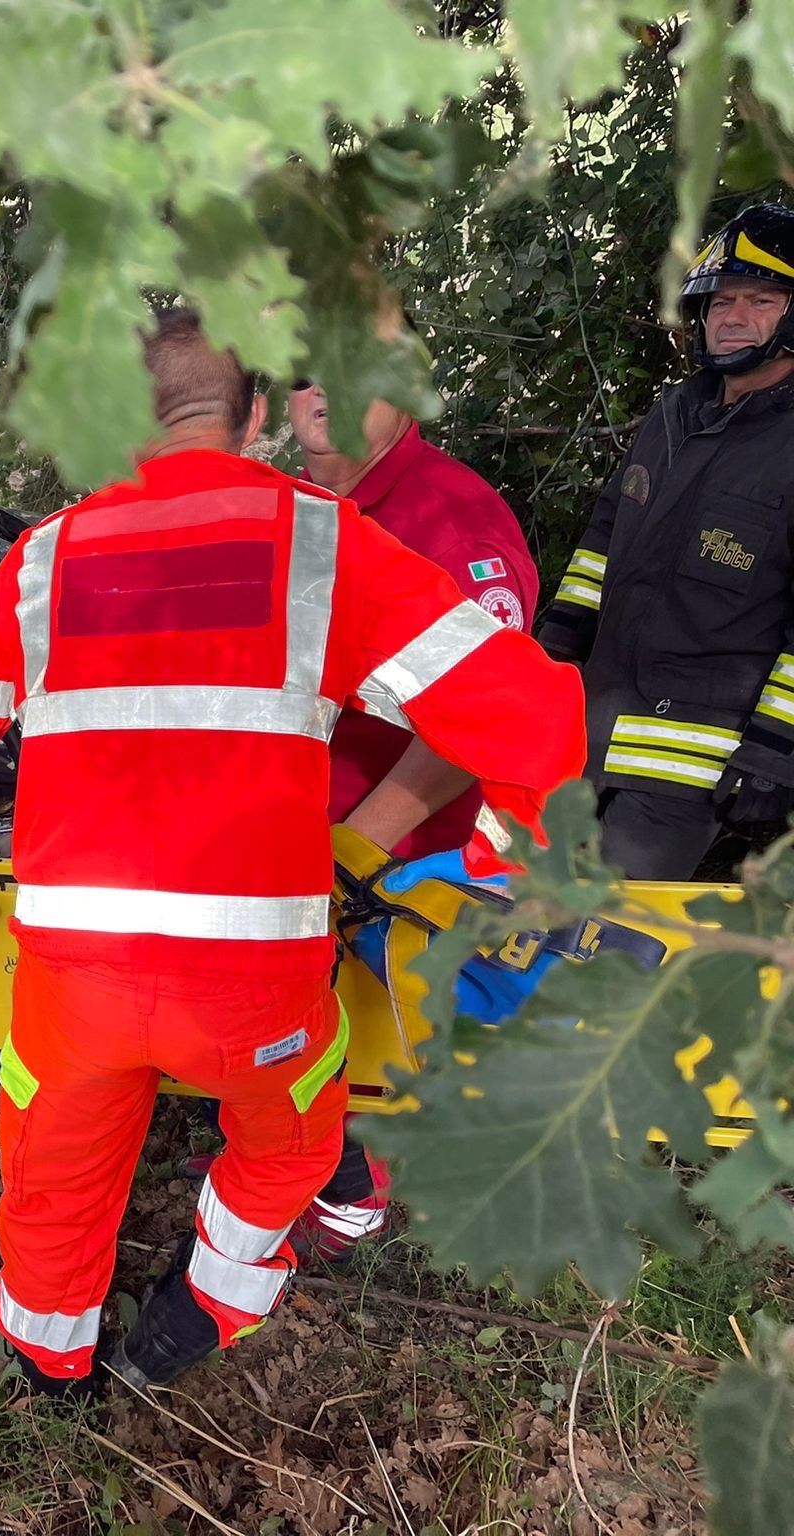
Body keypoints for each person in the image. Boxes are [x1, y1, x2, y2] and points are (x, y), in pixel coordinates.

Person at [0, 310, 585, 1393]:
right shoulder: (322, 542)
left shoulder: (44, 557)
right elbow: (534, 720)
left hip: (74, 980)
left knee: (54, 1165)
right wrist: (497, 872)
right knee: (293, 1141)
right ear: (256, 416)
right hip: (257, 986)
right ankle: (206, 1304)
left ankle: (48, 1360)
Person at [272, 377, 540, 1263]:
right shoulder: (293, 508)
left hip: (392, 846)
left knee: (368, 1021)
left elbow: (488, 719)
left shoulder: (453, 521)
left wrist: (358, 842)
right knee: (293, 1014)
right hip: (296, 823)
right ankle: (291, 1156)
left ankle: (359, 1190)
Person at [537, 202, 794, 878]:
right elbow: (603, 538)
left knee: (600, 932)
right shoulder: (675, 413)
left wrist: (774, 752)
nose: (732, 317)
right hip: (584, 738)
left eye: (760, 300)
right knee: (517, 910)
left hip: (688, 768)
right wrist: (555, 647)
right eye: (719, 302)